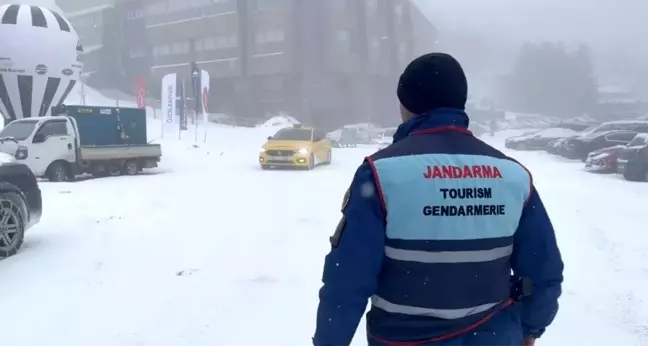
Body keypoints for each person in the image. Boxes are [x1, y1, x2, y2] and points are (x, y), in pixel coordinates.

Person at [313, 53, 564, 346]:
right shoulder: (513, 175)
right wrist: (531, 328)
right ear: (460, 102)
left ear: (406, 106)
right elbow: (544, 270)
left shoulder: (382, 173)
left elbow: (348, 281)